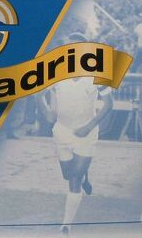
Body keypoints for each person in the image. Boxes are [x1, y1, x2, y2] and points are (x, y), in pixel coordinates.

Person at [39, 77, 113, 235]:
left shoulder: (97, 75)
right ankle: (84, 174)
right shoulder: (56, 72)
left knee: (74, 178)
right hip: (62, 131)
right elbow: (38, 93)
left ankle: (66, 225)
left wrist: (89, 126)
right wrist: (46, 110)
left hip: (86, 133)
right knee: (68, 174)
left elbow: (109, 104)